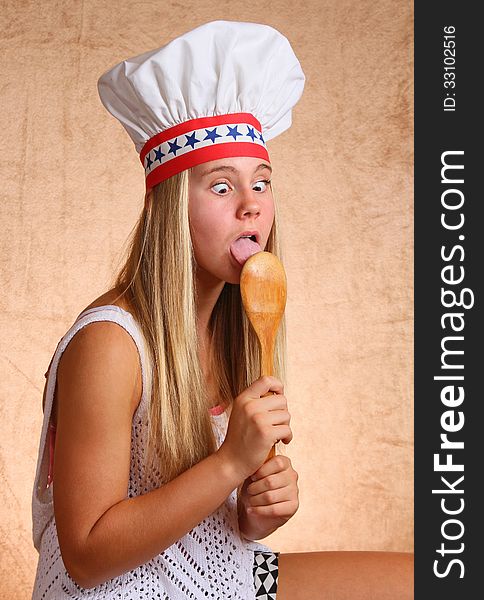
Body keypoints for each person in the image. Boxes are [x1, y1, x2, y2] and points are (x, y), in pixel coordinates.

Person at [31, 20, 413, 600]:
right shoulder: (111, 345)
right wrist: (231, 464)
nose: (251, 208)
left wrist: (251, 515)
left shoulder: (233, 328)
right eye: (220, 187)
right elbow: (85, 555)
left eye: (261, 183)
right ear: (169, 210)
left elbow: (200, 511)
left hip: (224, 574)